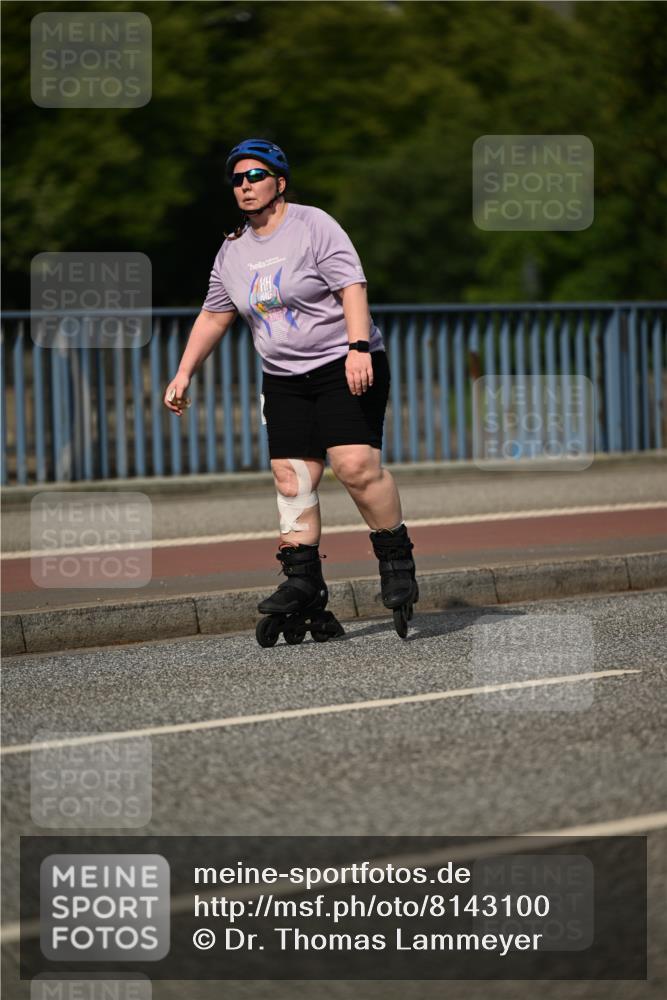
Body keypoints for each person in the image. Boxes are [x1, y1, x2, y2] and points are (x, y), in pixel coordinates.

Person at [164, 138, 418, 637]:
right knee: (291, 477)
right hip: (283, 376)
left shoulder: (313, 225)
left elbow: (351, 286)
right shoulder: (233, 250)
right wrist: (184, 371)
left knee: (354, 467)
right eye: (237, 179)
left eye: (255, 176)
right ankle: (303, 582)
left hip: (343, 363)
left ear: (279, 182)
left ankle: (396, 560)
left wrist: (358, 347)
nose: (245, 185)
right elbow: (214, 315)